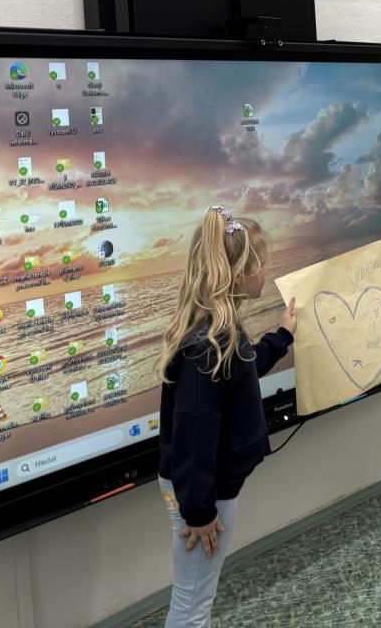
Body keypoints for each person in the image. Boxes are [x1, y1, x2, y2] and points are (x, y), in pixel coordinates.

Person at [155, 205, 297, 628]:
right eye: (262, 264)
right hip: (202, 495)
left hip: (205, 490)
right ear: (239, 275)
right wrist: (199, 513)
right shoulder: (207, 348)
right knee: (192, 602)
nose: (266, 272)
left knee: (198, 595)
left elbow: (245, 369)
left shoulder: (221, 334)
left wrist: (283, 335)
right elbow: (193, 439)